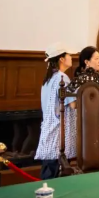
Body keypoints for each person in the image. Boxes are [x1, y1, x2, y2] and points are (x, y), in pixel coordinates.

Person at [35, 43, 77, 180]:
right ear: (61, 59)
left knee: (48, 172)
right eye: (69, 55)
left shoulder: (48, 79)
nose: (71, 57)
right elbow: (73, 105)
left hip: (48, 130)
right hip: (58, 134)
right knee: (57, 173)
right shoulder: (62, 78)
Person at [74, 46, 99, 167]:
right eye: (96, 58)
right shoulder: (79, 81)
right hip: (86, 126)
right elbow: (75, 105)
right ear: (87, 62)